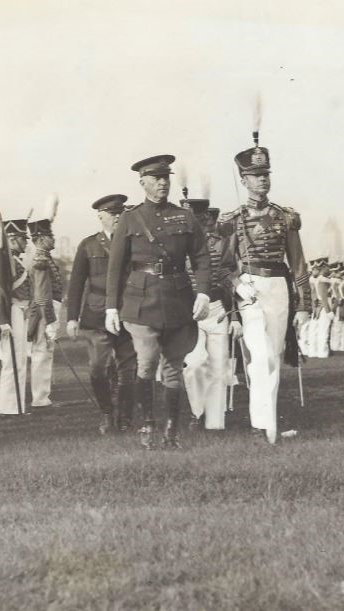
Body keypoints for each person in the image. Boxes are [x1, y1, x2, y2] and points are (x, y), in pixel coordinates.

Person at [105, 155, 211, 449]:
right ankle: (148, 425)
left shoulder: (185, 216)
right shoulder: (130, 218)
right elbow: (116, 266)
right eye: (156, 178)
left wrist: (203, 291)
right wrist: (112, 307)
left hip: (178, 300)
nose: (163, 182)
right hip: (141, 304)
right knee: (148, 362)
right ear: (143, 183)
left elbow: (201, 256)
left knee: (174, 367)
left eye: (166, 177)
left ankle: (171, 431)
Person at [219, 136, 311, 444]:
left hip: (279, 288)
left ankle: (266, 424)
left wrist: (303, 305)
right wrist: (238, 286)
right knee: (260, 356)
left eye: (266, 174)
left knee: (273, 354)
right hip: (251, 290)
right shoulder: (232, 220)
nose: (263, 180)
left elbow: (298, 263)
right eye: (257, 176)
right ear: (244, 180)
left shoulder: (285, 217)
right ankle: (265, 426)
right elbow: (224, 265)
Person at [65, 194, 137, 434]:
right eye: (112, 214)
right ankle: (107, 412)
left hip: (128, 312)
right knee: (98, 367)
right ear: (100, 216)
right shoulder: (89, 245)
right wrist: (72, 318)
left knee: (128, 369)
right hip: (96, 314)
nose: (117, 218)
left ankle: (125, 416)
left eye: (120, 213)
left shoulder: (132, 242)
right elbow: (76, 283)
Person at [181, 197, 231, 430]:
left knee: (219, 367)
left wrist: (236, 316)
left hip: (217, 307)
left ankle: (215, 419)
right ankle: (197, 411)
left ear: (203, 219)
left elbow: (230, 277)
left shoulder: (220, 244)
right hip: (188, 310)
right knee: (193, 364)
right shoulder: (176, 245)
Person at [0, 217, 32, 415]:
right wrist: (2, 321)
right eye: (23, 239)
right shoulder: (7, 262)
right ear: (14, 239)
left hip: (22, 312)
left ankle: (17, 405)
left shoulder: (17, 261)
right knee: (12, 360)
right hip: (14, 313)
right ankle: (8, 406)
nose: (26, 242)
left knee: (20, 359)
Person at [27, 214, 62, 408]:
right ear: (40, 239)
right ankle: (40, 398)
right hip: (43, 312)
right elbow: (41, 294)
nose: (53, 239)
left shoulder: (45, 258)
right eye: (50, 236)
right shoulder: (40, 259)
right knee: (42, 353)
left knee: (45, 353)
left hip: (48, 310)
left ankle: (43, 396)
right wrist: (48, 320)